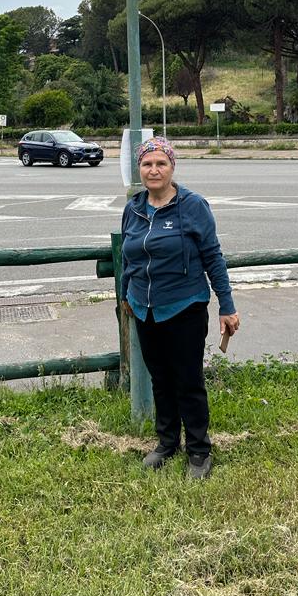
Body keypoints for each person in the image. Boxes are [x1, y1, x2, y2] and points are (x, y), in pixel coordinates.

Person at [120, 136, 240, 479]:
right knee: (160, 379)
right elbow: (128, 257)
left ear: (172, 167)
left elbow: (213, 257)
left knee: (188, 380)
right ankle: (167, 442)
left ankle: (199, 450)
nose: (154, 170)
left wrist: (227, 305)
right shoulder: (133, 208)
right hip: (144, 308)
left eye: (161, 163)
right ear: (139, 169)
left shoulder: (193, 206)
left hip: (185, 306)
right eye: (147, 164)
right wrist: (126, 294)